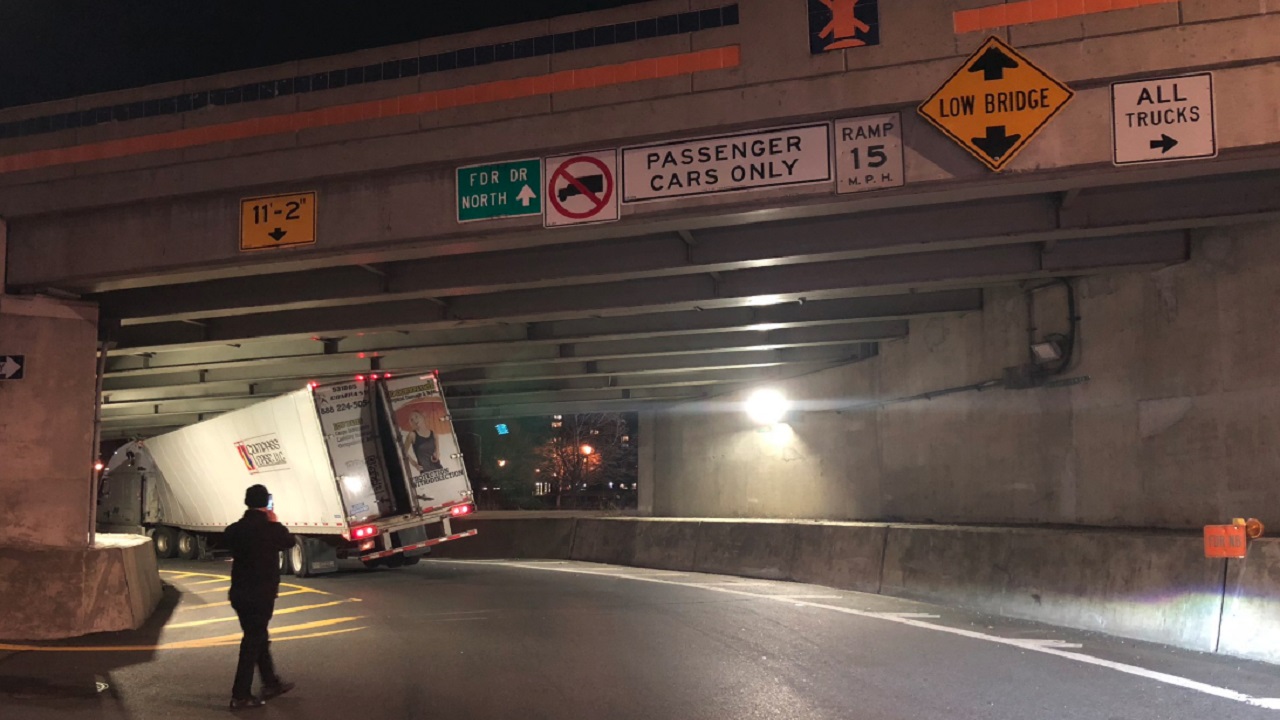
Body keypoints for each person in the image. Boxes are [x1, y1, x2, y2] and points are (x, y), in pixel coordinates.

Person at [223, 484, 297, 710]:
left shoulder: (235, 529)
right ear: (266, 503)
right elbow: (289, 541)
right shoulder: (271, 529)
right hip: (261, 594)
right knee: (252, 641)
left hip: (239, 594)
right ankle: (240, 694)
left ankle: (270, 682)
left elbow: (225, 541)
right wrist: (273, 521)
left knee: (257, 637)